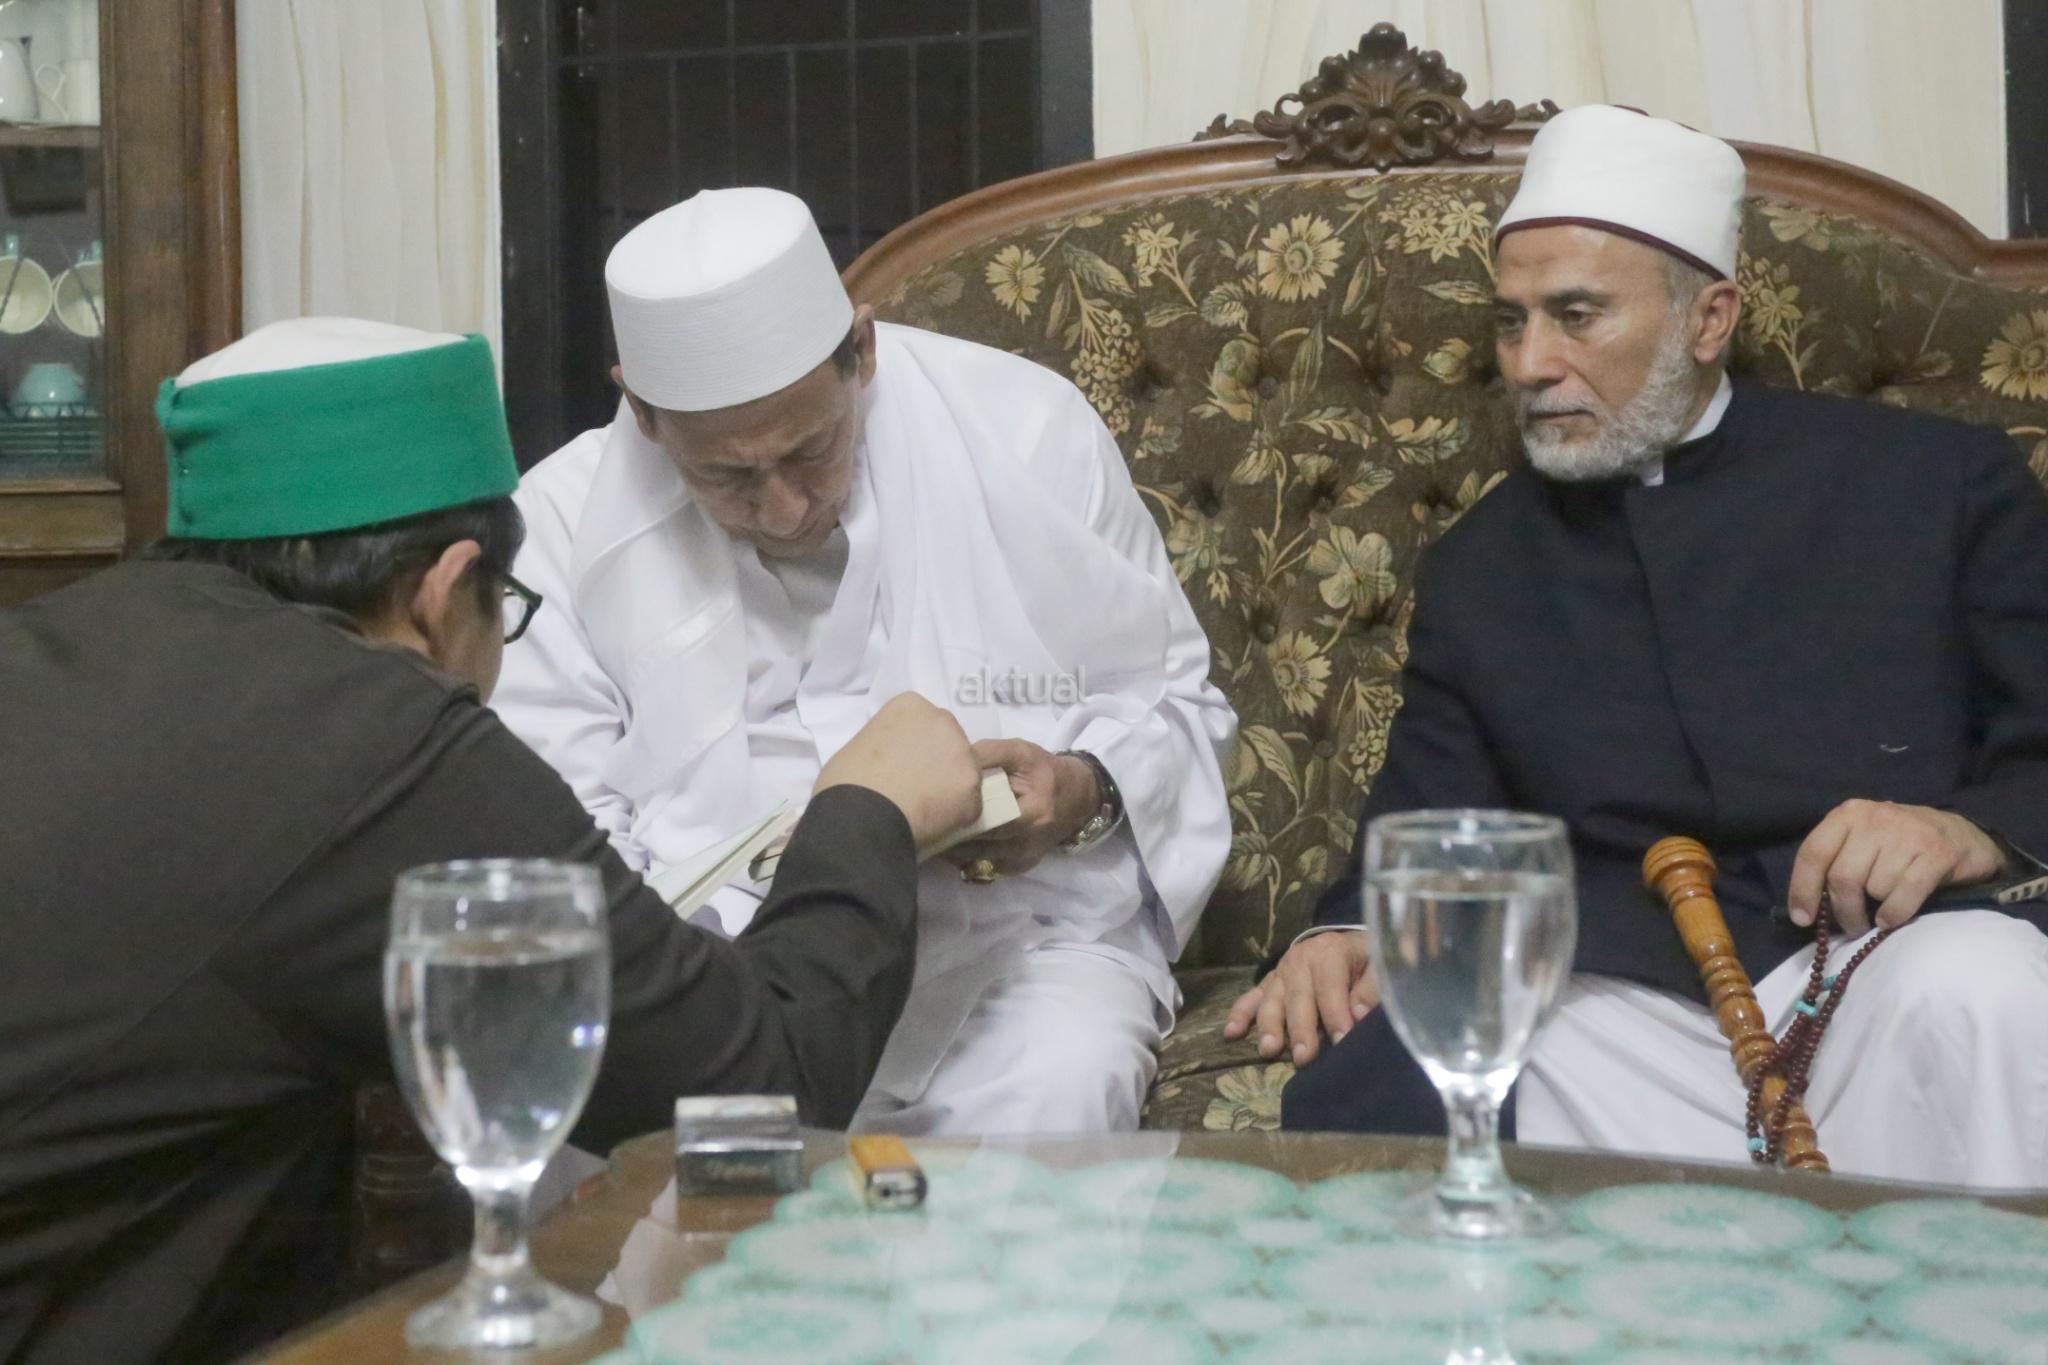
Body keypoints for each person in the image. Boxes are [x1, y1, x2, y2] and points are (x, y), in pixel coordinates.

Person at [0, 317, 986, 1363]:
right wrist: (868, 809)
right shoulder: (372, 736)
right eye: (503, 610)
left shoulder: (65, 635)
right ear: (442, 591)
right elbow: (752, 1094)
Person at [1228, 105, 2048, 1189]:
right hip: (1620, 1010)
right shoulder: (1484, 562)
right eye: (1510, 323)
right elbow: (1427, 819)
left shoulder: (1937, 485)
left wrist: (1967, 830)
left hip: (1877, 967)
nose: (1531, 363)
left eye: (1576, 316)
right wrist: (1336, 935)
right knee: (1414, 1066)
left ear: (1708, 319)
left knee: (1985, 986)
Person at [496, 188, 1236, 1135]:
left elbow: (1176, 705)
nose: (781, 508)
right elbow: (566, 839)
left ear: (863, 349)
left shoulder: (1028, 431)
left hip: (1018, 945)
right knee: (599, 1120)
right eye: (727, 475)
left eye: (811, 451)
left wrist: (1079, 791)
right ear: (642, 412)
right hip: (716, 969)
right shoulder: (557, 528)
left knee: (1063, 1079)